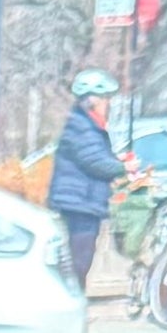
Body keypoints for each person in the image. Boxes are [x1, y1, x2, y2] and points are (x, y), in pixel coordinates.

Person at [47, 70, 122, 290]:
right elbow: (95, 161)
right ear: (93, 101)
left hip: (83, 201)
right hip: (79, 203)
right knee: (80, 258)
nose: (108, 104)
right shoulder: (82, 126)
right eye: (106, 98)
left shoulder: (87, 125)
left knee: (81, 257)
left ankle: (73, 297)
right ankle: (72, 300)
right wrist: (123, 167)